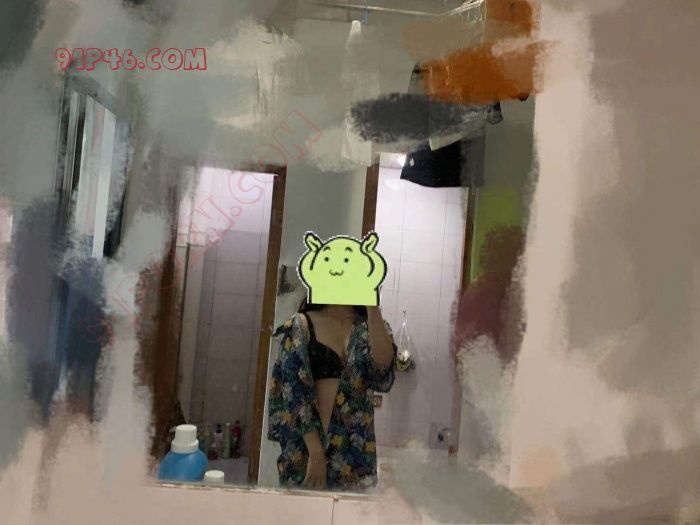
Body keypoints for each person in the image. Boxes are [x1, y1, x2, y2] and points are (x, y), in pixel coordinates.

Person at [267, 301, 397, 490]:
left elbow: (383, 372)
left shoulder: (372, 326)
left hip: (355, 460)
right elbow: (292, 392)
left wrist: (372, 304)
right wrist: (316, 452)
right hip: (307, 455)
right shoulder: (301, 325)